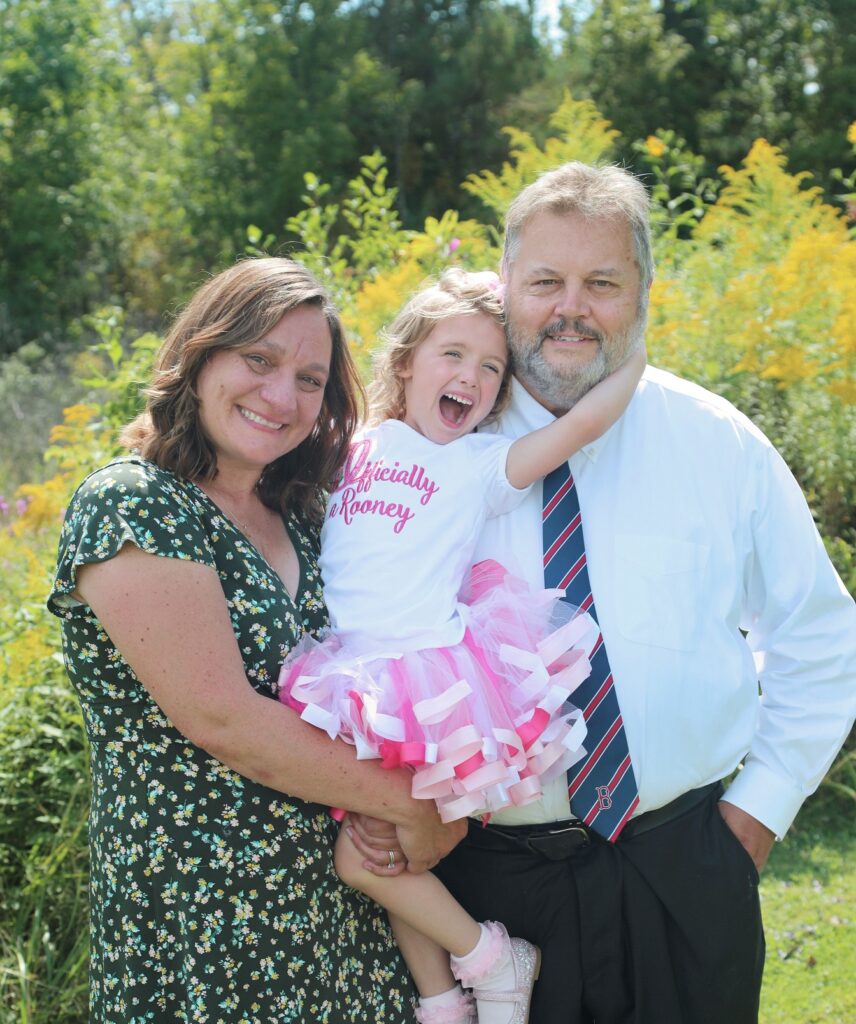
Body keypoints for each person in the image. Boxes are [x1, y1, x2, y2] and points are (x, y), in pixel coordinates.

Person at [421, 162, 856, 1024]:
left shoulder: (717, 442)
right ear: (504, 285)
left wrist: (752, 823)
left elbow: (819, 636)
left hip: (687, 872)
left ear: (646, 291)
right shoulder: (432, 451)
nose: (569, 307)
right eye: (545, 280)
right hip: (489, 897)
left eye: (603, 283)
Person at [47, 257, 466, 1024]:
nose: (283, 396)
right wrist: (418, 807)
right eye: (260, 360)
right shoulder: (135, 505)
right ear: (201, 356)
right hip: (205, 921)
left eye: (311, 379)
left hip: (344, 915)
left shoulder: (308, 514)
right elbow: (223, 719)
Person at [277, 269, 644, 1024]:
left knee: (364, 858)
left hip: (429, 690)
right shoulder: (352, 444)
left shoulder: (476, 466)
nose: (470, 378)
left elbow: (577, 428)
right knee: (386, 855)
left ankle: (489, 959)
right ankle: (444, 999)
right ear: (407, 361)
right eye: (453, 355)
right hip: (353, 688)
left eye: (489, 368)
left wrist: (632, 353)